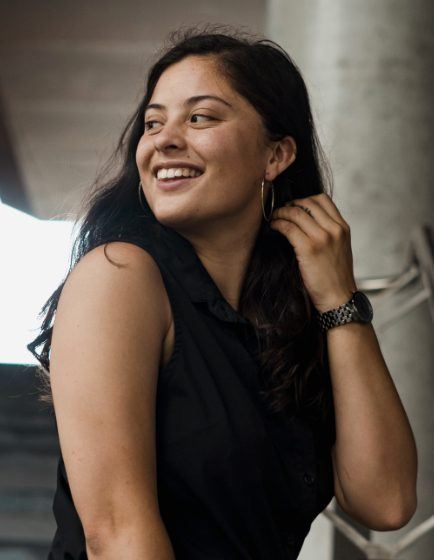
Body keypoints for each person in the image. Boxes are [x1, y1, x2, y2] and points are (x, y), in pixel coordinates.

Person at [27, 24, 417, 560]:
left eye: (200, 116)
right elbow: (118, 536)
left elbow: (387, 501)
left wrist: (339, 302)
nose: (163, 138)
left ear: (275, 156)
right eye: (153, 122)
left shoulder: (290, 321)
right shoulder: (118, 276)